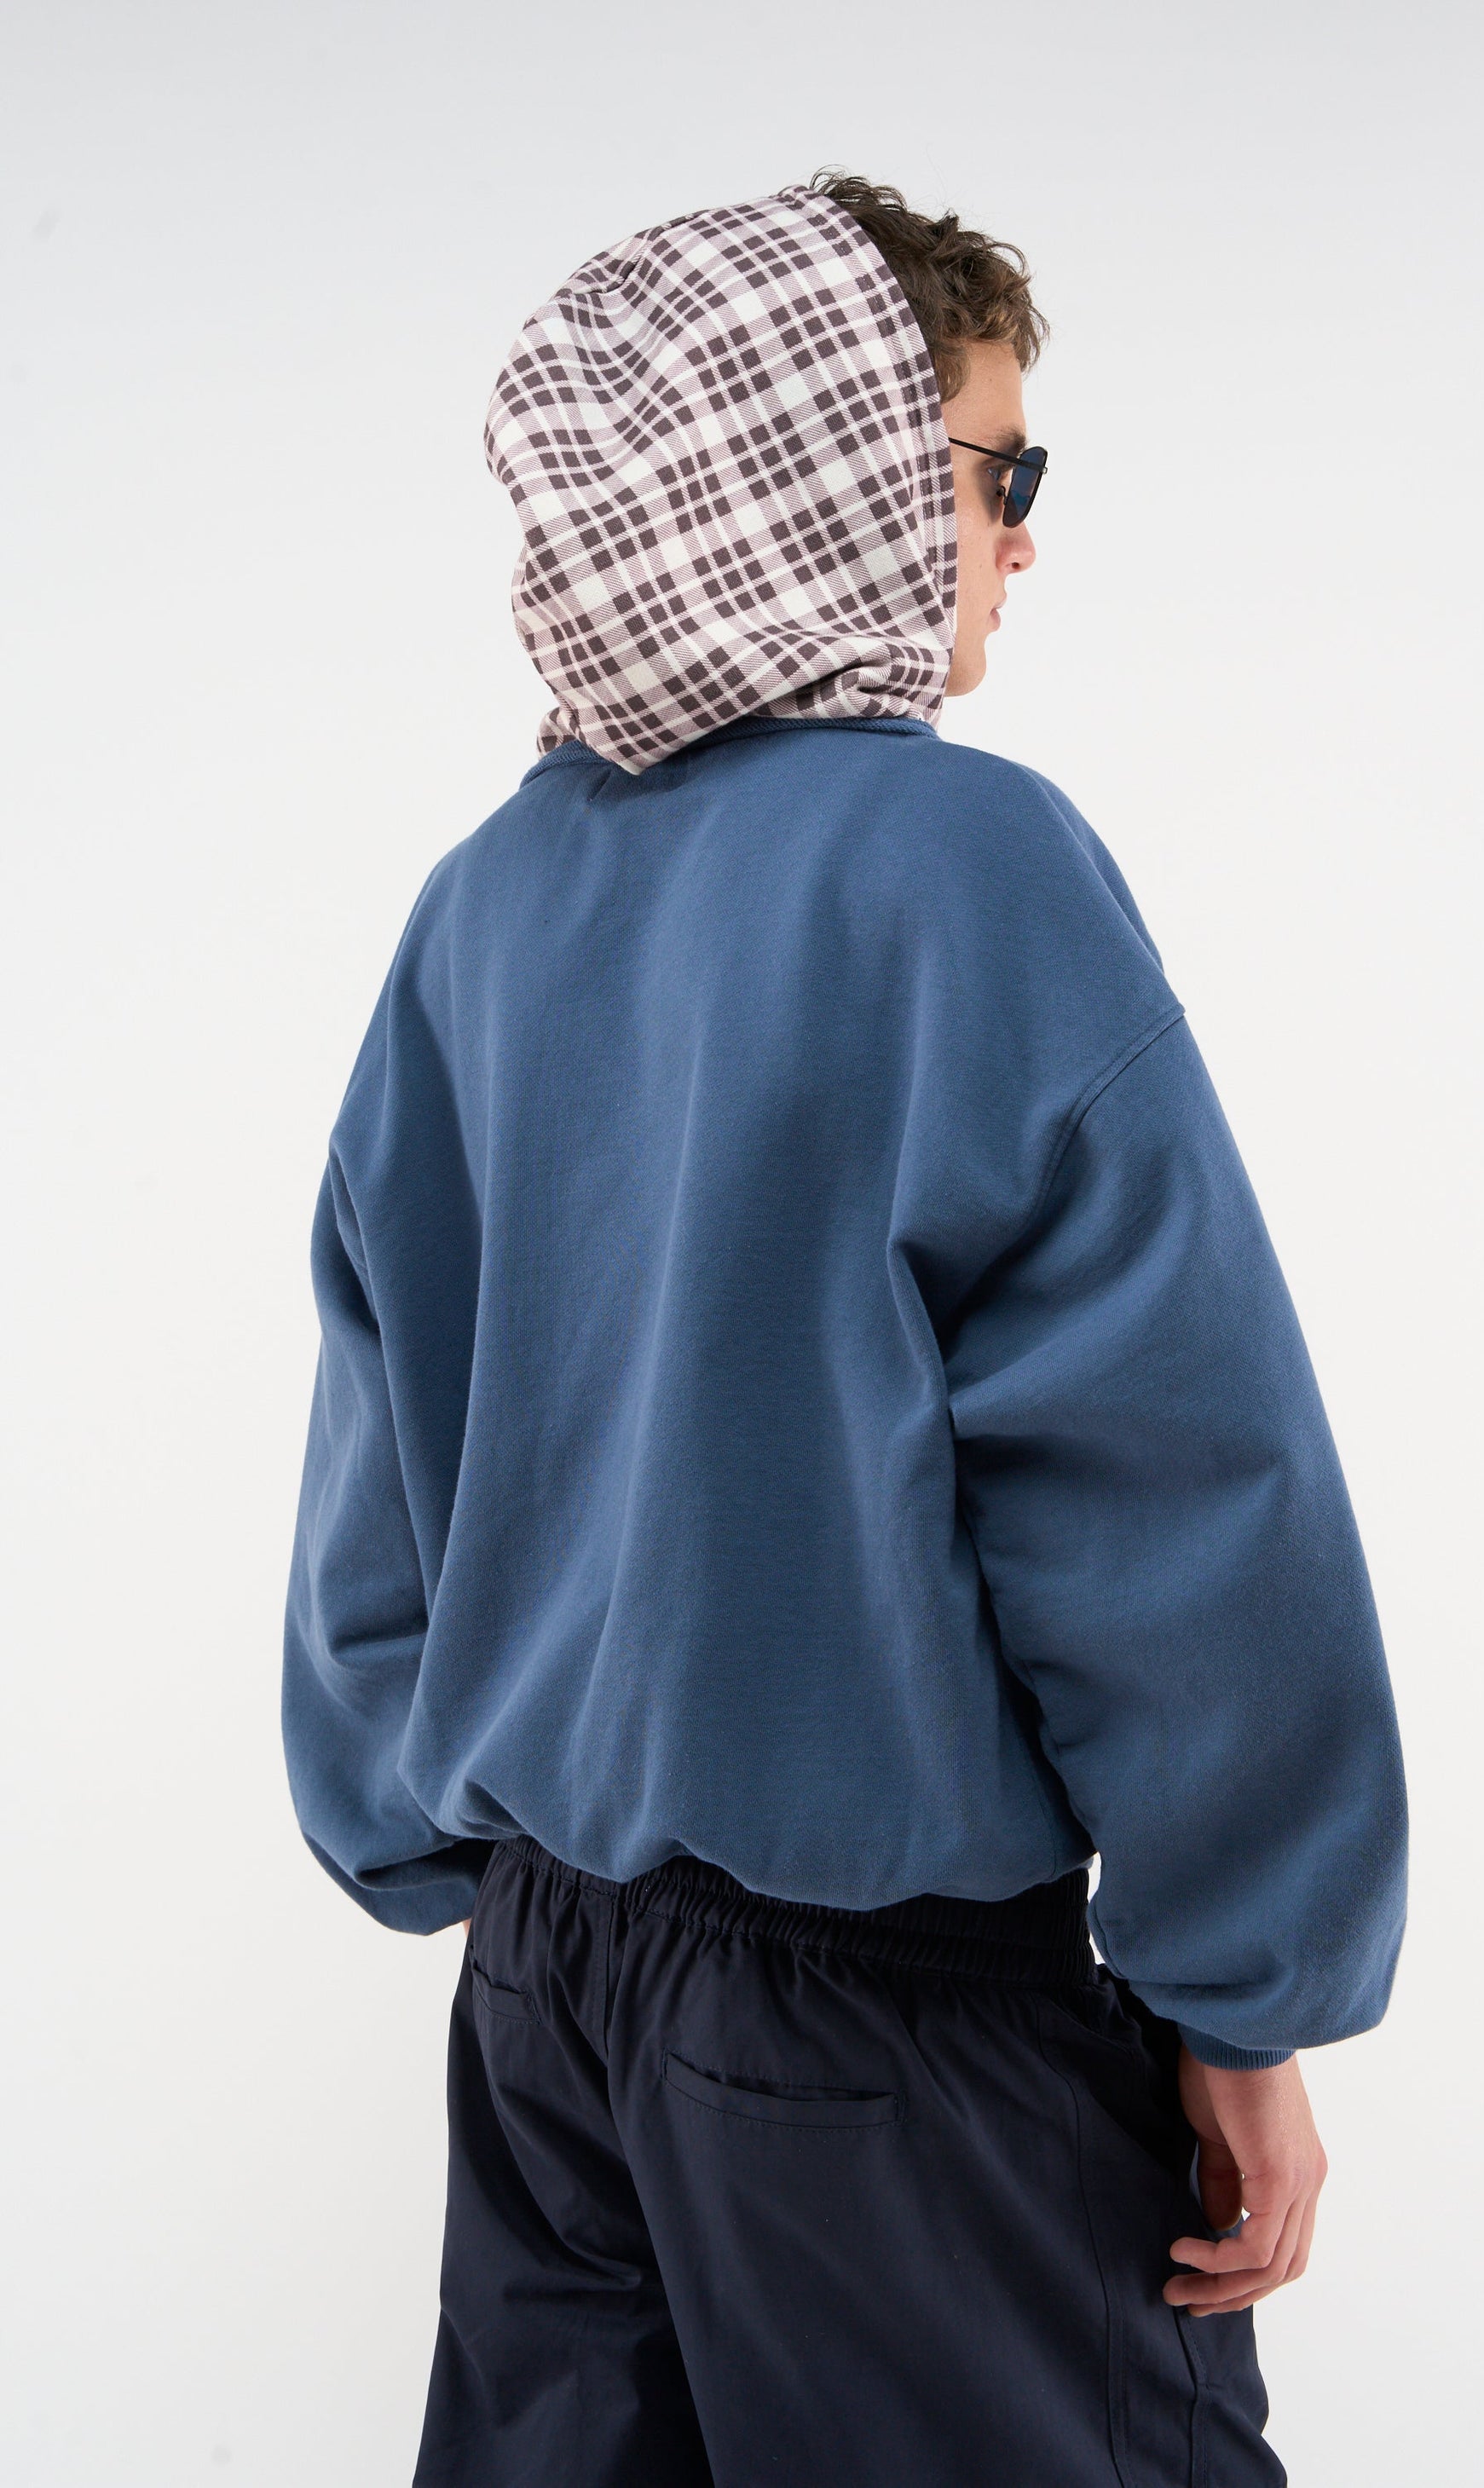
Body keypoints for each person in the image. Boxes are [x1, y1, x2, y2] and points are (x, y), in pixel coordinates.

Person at [283, 172, 1406, 2486]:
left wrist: (431, 1833)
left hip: (548, 1995)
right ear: (834, 471)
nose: (1023, 539)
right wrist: (1238, 1991)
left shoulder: (483, 904)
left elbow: (380, 1455)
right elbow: (1167, 1482)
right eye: (1000, 468)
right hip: (890, 2026)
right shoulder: (965, 868)